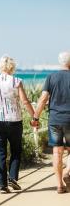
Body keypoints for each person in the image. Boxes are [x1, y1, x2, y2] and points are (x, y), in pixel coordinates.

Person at [0, 55, 35, 193]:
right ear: (12, 67)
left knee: (0, 153)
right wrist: (34, 115)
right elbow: (25, 101)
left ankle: (2, 185)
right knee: (16, 150)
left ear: (0, 67)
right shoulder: (17, 81)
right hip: (14, 120)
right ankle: (13, 178)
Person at [32, 51, 70, 194]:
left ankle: (59, 184)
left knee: (57, 152)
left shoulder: (51, 77)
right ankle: (67, 172)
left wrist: (35, 118)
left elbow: (42, 99)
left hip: (55, 120)